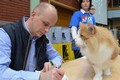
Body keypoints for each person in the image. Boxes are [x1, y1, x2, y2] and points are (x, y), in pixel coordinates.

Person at [0, 2, 64, 80]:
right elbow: (1, 72)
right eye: (45, 24)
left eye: (50, 27)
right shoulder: (6, 34)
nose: (47, 30)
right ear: (33, 15)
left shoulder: (43, 39)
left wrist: (52, 63)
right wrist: (39, 77)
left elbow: (57, 57)